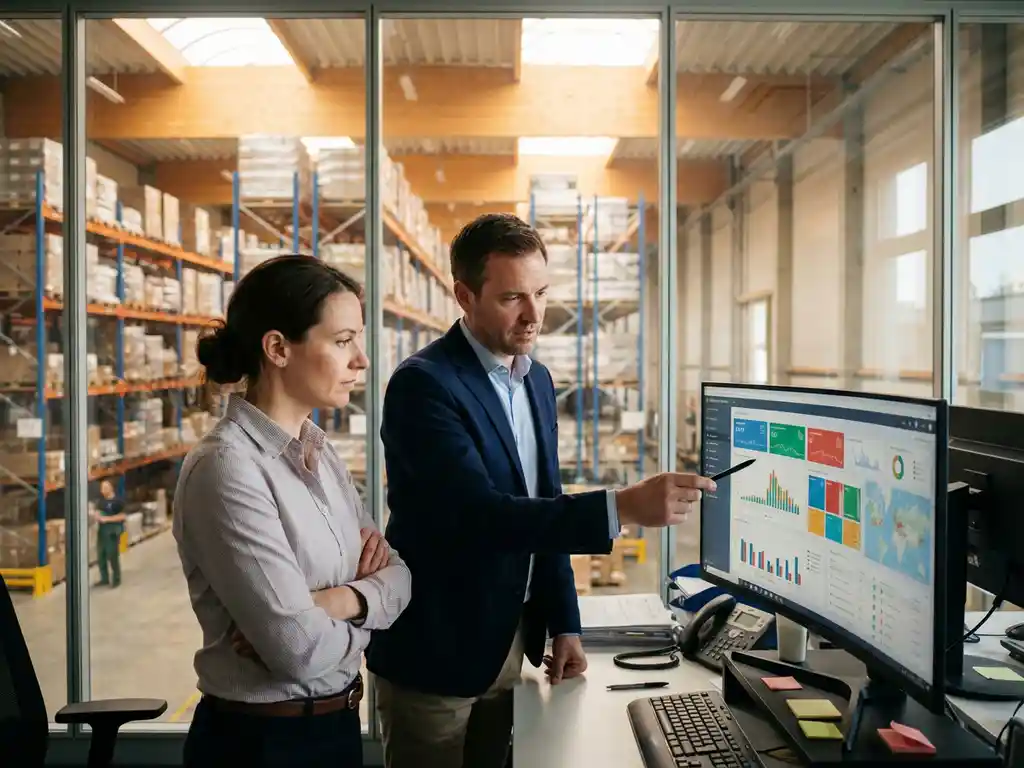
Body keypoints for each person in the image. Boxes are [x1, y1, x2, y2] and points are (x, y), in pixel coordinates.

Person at [367, 213, 717, 768]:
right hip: (439, 651)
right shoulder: (424, 386)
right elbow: (481, 517)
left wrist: (564, 623)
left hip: (512, 640)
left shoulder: (535, 378)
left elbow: (543, 503)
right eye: (512, 298)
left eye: (541, 292)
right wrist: (620, 506)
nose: (535, 314)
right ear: (465, 295)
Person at [172, 254, 411, 768]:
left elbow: (402, 578)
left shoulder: (319, 455)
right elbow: (298, 652)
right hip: (260, 745)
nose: (361, 360)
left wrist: (330, 603)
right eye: (343, 341)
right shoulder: (227, 469)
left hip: (335, 728)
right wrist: (366, 605)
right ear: (278, 348)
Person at [92, 479, 125, 588]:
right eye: (102, 488)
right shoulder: (100, 501)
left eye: (105, 487)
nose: (103, 490)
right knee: (101, 555)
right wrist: (96, 515)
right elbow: (97, 512)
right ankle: (104, 578)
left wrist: (107, 519)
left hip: (112, 531)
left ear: (111, 487)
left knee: (112, 555)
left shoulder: (117, 501)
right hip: (102, 531)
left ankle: (116, 578)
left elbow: (122, 516)